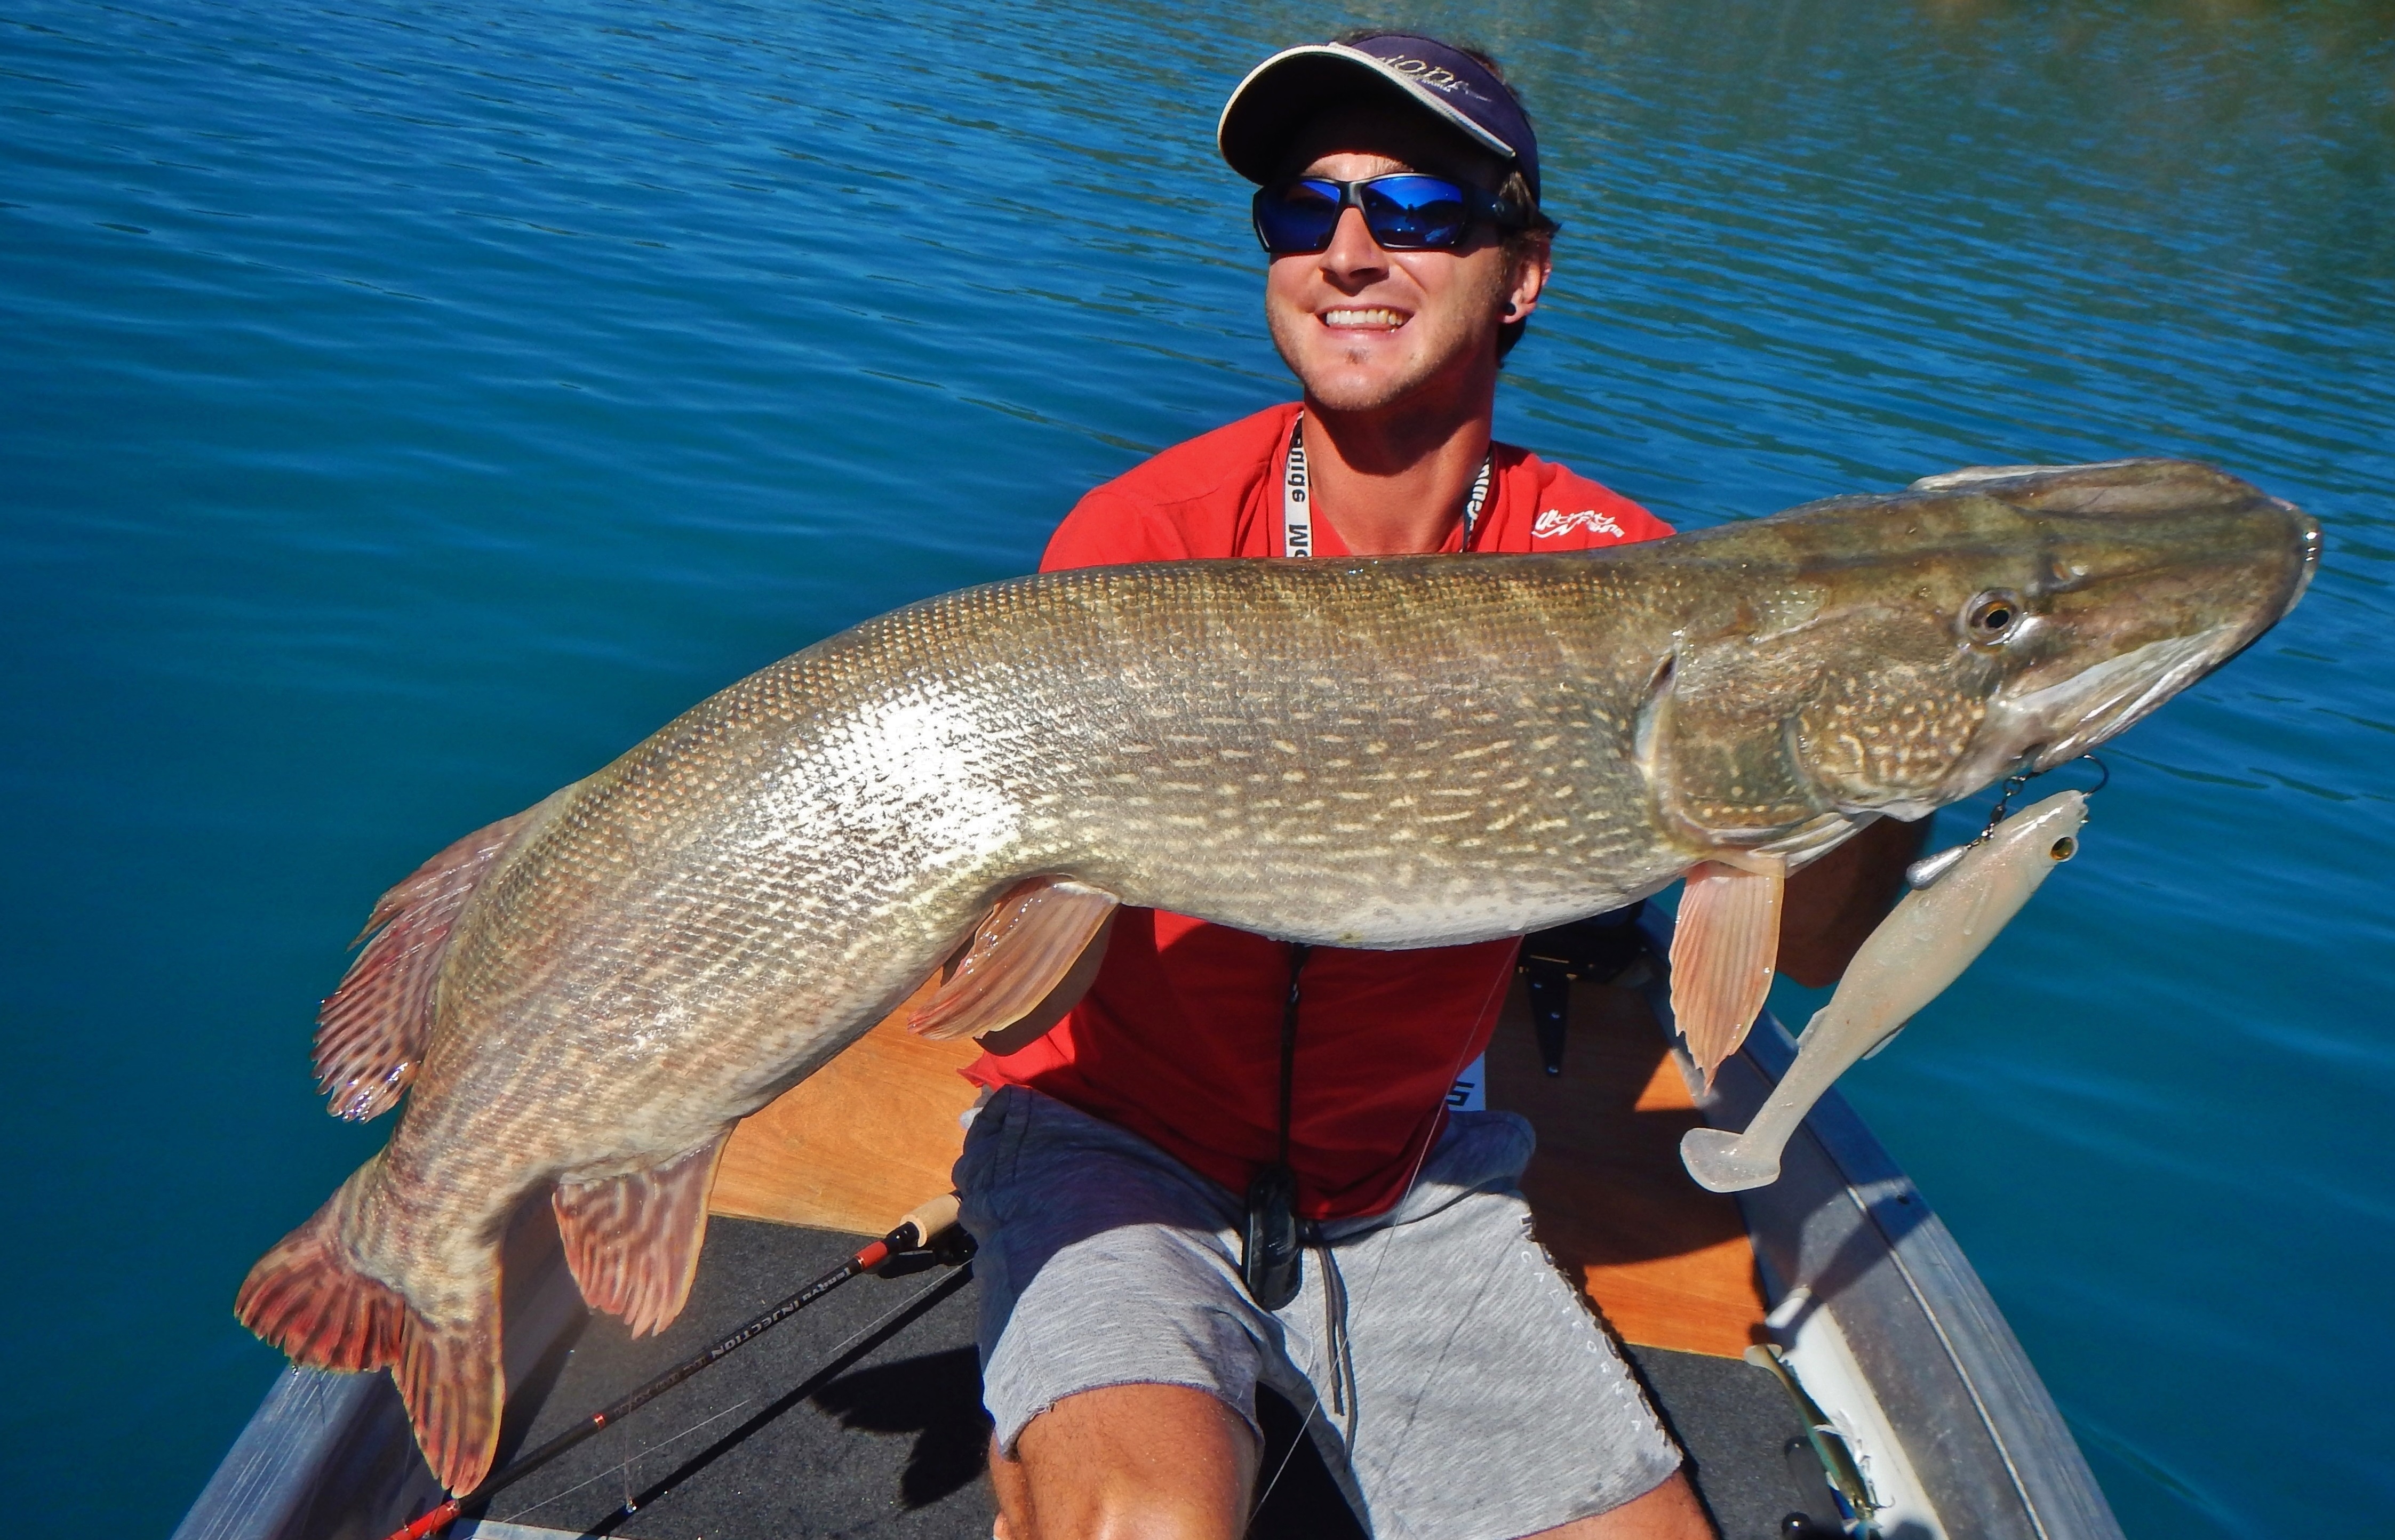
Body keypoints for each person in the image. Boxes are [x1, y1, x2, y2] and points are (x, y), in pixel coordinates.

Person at [952, 33, 1903, 1540]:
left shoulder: (1620, 577)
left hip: (1401, 1184)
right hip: (1110, 1145)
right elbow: (1008, 956)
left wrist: (1875, 756)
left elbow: (1811, 948)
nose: (1346, 253)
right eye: (1301, 209)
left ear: (1520, 272)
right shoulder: (1149, 531)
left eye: (1415, 211)